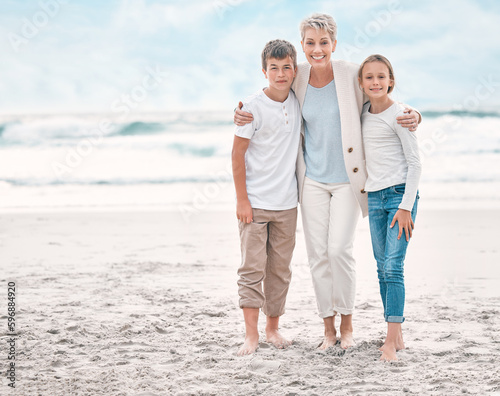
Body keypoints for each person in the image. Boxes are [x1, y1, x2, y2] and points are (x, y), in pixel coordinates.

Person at [234, 13, 421, 350]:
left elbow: (382, 98)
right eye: (310, 43)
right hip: (311, 182)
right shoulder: (297, 74)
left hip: (349, 182)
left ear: (334, 43)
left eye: (323, 42)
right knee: (317, 255)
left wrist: (415, 114)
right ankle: (328, 330)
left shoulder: (351, 74)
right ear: (302, 45)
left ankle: (347, 327)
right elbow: (269, 92)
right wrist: (241, 110)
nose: (317, 49)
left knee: (339, 250)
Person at [232, 39, 301, 356]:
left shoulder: (299, 100)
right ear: (264, 71)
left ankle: (272, 329)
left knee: (280, 270)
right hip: (256, 204)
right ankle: (251, 336)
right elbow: (237, 155)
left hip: (288, 203)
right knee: (252, 269)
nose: (281, 73)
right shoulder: (250, 108)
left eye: (287, 67)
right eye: (274, 68)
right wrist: (242, 200)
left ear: (294, 69)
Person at [358, 54, 421, 361]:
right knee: (382, 268)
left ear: (391, 81)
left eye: (381, 77)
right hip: (374, 197)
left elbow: (415, 163)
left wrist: (406, 206)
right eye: (369, 77)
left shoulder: (401, 114)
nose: (375, 82)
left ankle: (390, 339)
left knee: (394, 266)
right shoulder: (362, 113)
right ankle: (397, 336)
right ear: (361, 83)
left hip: (399, 198)